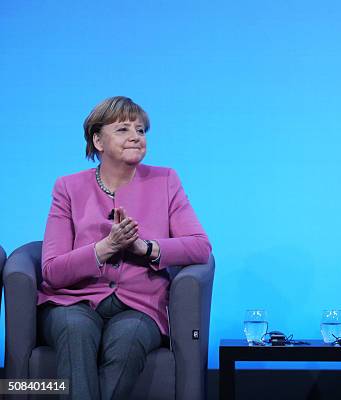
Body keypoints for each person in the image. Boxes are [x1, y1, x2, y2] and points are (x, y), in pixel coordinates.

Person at [38, 96, 211, 400]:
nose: (135, 136)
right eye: (122, 129)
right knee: (75, 329)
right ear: (97, 140)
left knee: (129, 337)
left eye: (141, 130)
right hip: (72, 301)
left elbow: (200, 247)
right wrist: (104, 248)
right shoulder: (68, 187)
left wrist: (145, 248)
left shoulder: (166, 180)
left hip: (139, 304)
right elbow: (51, 271)